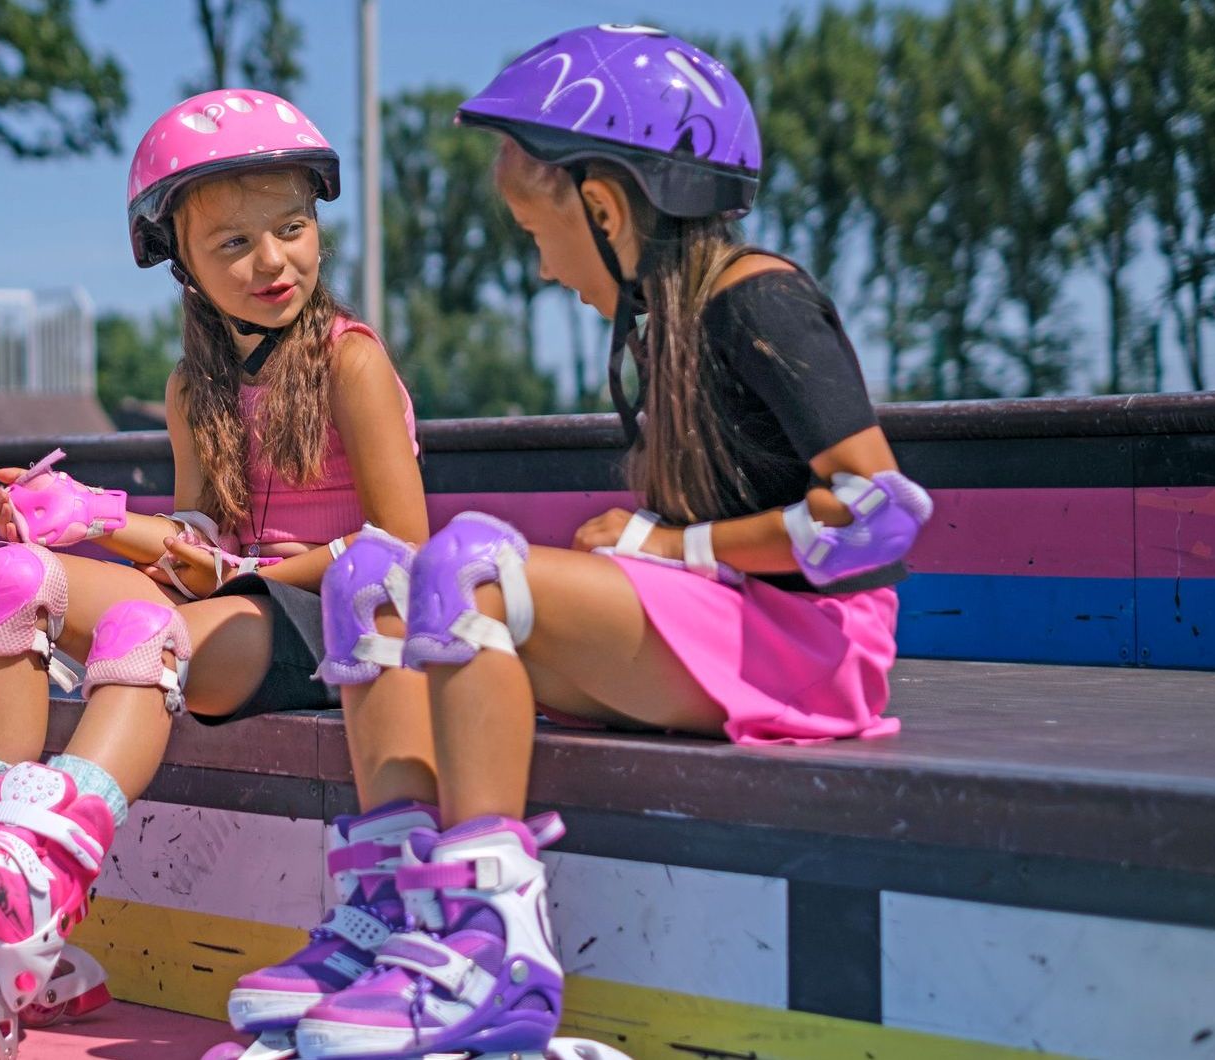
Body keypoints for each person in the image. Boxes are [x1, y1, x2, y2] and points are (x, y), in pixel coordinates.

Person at [285, 25, 928, 1060]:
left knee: (474, 569)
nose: (539, 268)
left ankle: (494, 950)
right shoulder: (663, 321)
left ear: (607, 205)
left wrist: (671, 547)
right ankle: (395, 920)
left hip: (816, 651)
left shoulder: (757, 298)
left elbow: (876, 513)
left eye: (535, 231)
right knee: (373, 580)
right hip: (733, 630)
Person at [0, 88, 435, 1059]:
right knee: (16, 578)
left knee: (147, 630)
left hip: (325, 612)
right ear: (181, 262)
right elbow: (198, 534)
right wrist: (103, 519)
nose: (274, 259)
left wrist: (215, 564)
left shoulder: (348, 362)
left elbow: (402, 538)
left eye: (293, 228)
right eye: (235, 244)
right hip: (228, 601)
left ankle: (37, 876)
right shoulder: (195, 390)